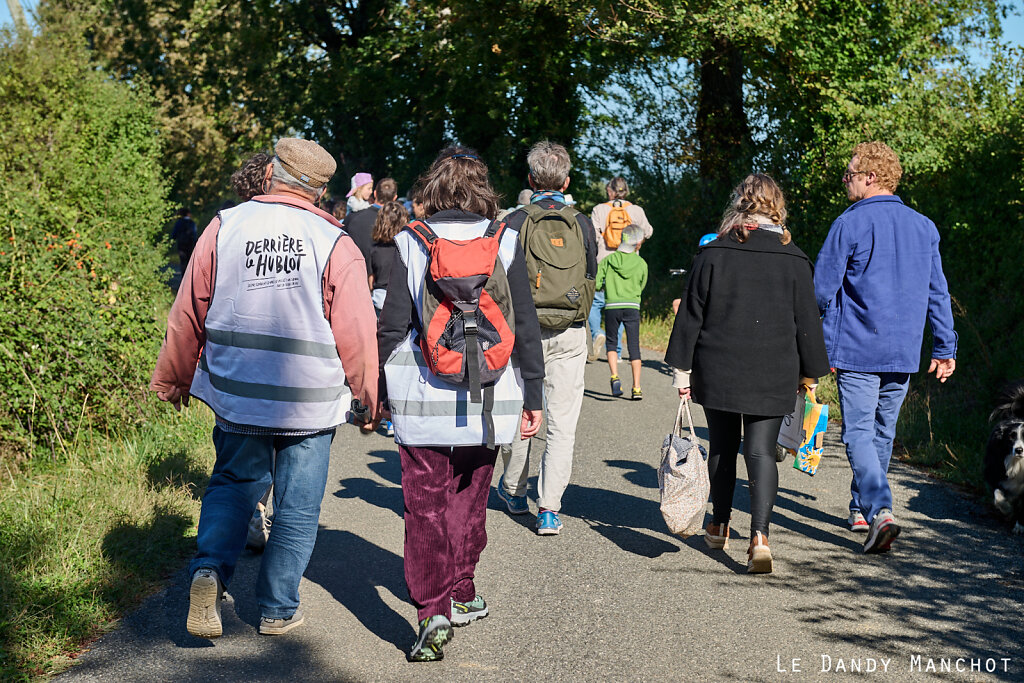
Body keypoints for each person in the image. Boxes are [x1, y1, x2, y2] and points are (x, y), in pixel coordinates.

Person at [150, 138, 380, 638]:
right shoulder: (334, 241)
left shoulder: (225, 226)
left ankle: (210, 568)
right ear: (321, 190)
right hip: (310, 402)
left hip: (238, 390)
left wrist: (174, 375)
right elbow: (358, 331)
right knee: (297, 506)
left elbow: (189, 307)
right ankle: (277, 609)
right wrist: (367, 397)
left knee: (233, 485)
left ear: (273, 171)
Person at [376, 146, 544, 661]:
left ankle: (433, 611)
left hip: (422, 395)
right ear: (482, 191)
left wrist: (378, 395)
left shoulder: (410, 241)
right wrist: (534, 395)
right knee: (470, 498)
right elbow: (526, 327)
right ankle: (463, 588)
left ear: (432, 189)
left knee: (423, 504)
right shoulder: (506, 240)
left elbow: (391, 327)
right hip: (491, 395)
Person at [665, 173, 829, 574]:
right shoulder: (795, 259)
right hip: (775, 368)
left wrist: (682, 370)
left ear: (738, 204)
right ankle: (760, 536)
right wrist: (811, 373)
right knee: (759, 450)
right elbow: (807, 321)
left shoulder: (713, 253)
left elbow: (691, 315)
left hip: (719, 366)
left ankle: (719, 524)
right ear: (777, 207)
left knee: (722, 445)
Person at [814, 141, 957, 553]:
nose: (846, 181)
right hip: (904, 351)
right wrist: (945, 346)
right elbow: (938, 293)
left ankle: (880, 510)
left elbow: (820, 291)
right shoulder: (924, 226)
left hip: (857, 348)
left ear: (870, 177)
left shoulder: (849, 224)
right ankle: (860, 508)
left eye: (849, 174)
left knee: (858, 432)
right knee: (881, 432)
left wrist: (807, 343)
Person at [497, 140, 598, 536]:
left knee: (523, 411)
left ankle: (514, 490)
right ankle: (550, 508)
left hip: (523, 332)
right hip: (571, 331)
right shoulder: (582, 221)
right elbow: (591, 272)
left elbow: (499, 278)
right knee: (562, 423)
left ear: (530, 179)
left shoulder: (513, 220)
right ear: (567, 180)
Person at [588, 177, 654, 359]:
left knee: (594, 303)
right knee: (620, 304)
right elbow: (648, 231)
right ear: (626, 191)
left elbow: (592, 237)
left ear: (609, 191)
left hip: (605, 262)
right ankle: (616, 352)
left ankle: (597, 333)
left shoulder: (599, 209)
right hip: (631, 263)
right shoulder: (636, 210)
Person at [595, 223, 648, 400]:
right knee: (634, 346)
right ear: (638, 243)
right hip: (632, 306)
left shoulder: (608, 260)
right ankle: (637, 387)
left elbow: (597, 283)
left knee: (611, 342)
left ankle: (614, 376)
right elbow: (642, 284)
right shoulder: (641, 262)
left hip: (612, 306)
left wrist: (606, 286)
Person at [344, 176, 398, 267]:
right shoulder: (399, 222)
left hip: (356, 271)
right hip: (386, 275)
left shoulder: (352, 218)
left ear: (375, 193)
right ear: (395, 198)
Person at [368, 200, 407, 315]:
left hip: (379, 301)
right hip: (401, 301)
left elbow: (370, 282)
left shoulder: (374, 250)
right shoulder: (405, 249)